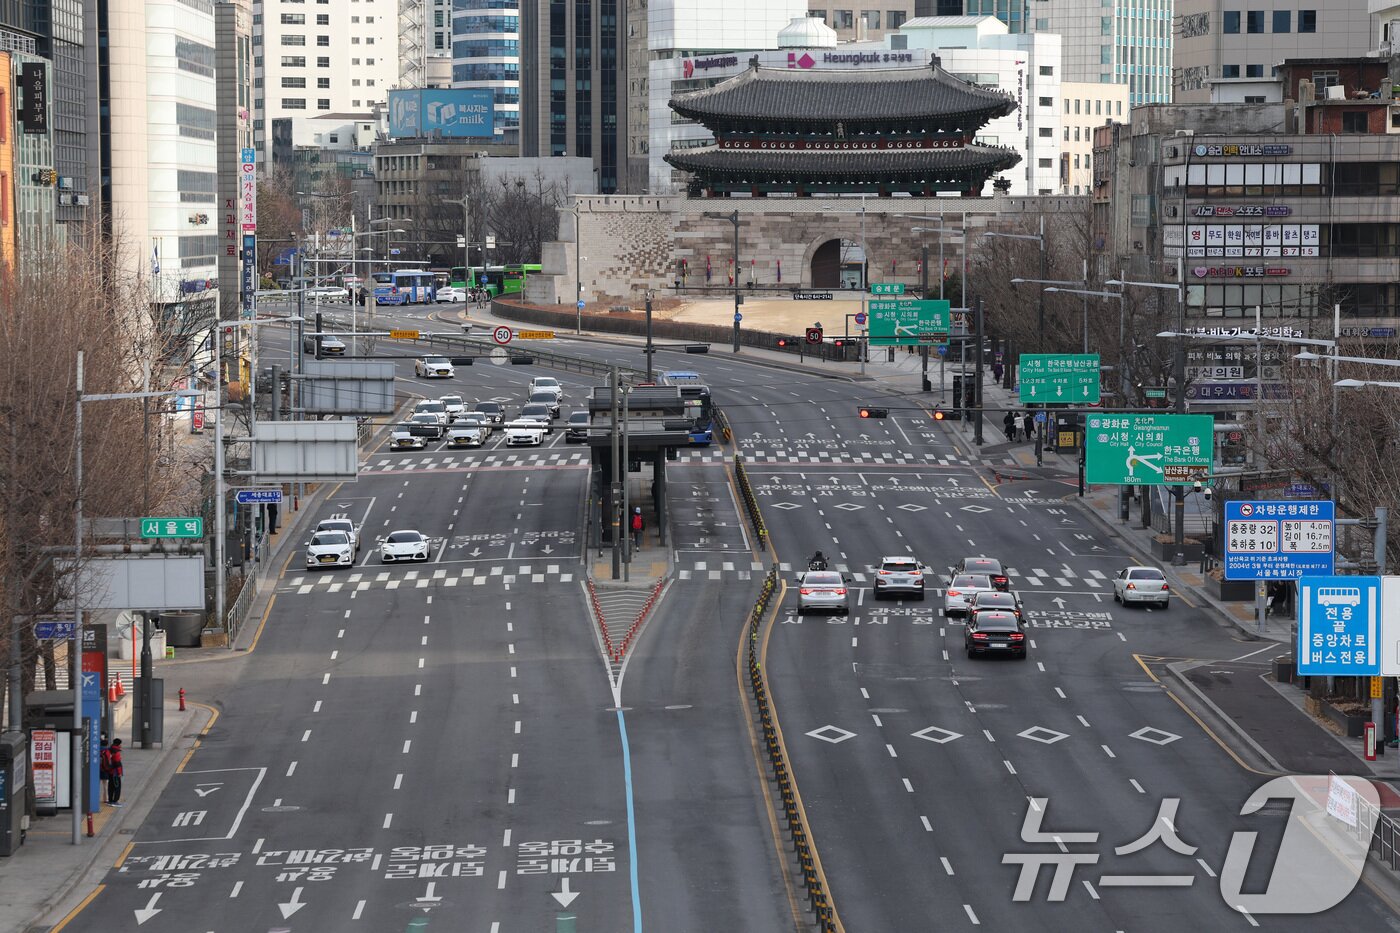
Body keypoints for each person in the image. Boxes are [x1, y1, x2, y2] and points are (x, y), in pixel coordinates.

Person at [105, 738, 124, 807]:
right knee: (117, 787)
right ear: (118, 744)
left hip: (110, 772)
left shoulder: (110, 749)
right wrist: (119, 773)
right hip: (115, 773)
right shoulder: (116, 752)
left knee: (111, 786)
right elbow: (117, 763)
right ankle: (115, 801)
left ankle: (110, 800)